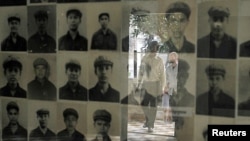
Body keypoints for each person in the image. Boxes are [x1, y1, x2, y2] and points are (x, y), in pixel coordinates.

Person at [137, 40, 166, 132]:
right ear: (150, 47)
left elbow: (163, 75)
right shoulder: (144, 58)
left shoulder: (159, 60)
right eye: (153, 46)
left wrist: (162, 87)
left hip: (156, 84)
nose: (155, 49)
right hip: (146, 84)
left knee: (153, 106)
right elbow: (141, 72)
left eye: (156, 47)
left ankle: (150, 125)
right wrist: (138, 83)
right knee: (144, 104)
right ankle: (148, 121)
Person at [162, 52, 178, 123]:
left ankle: (176, 120)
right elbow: (166, 79)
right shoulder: (168, 68)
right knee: (169, 105)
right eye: (170, 57)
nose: (170, 58)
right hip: (170, 90)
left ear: (176, 57)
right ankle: (169, 119)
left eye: (172, 57)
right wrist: (165, 88)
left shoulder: (180, 67)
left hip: (178, 90)